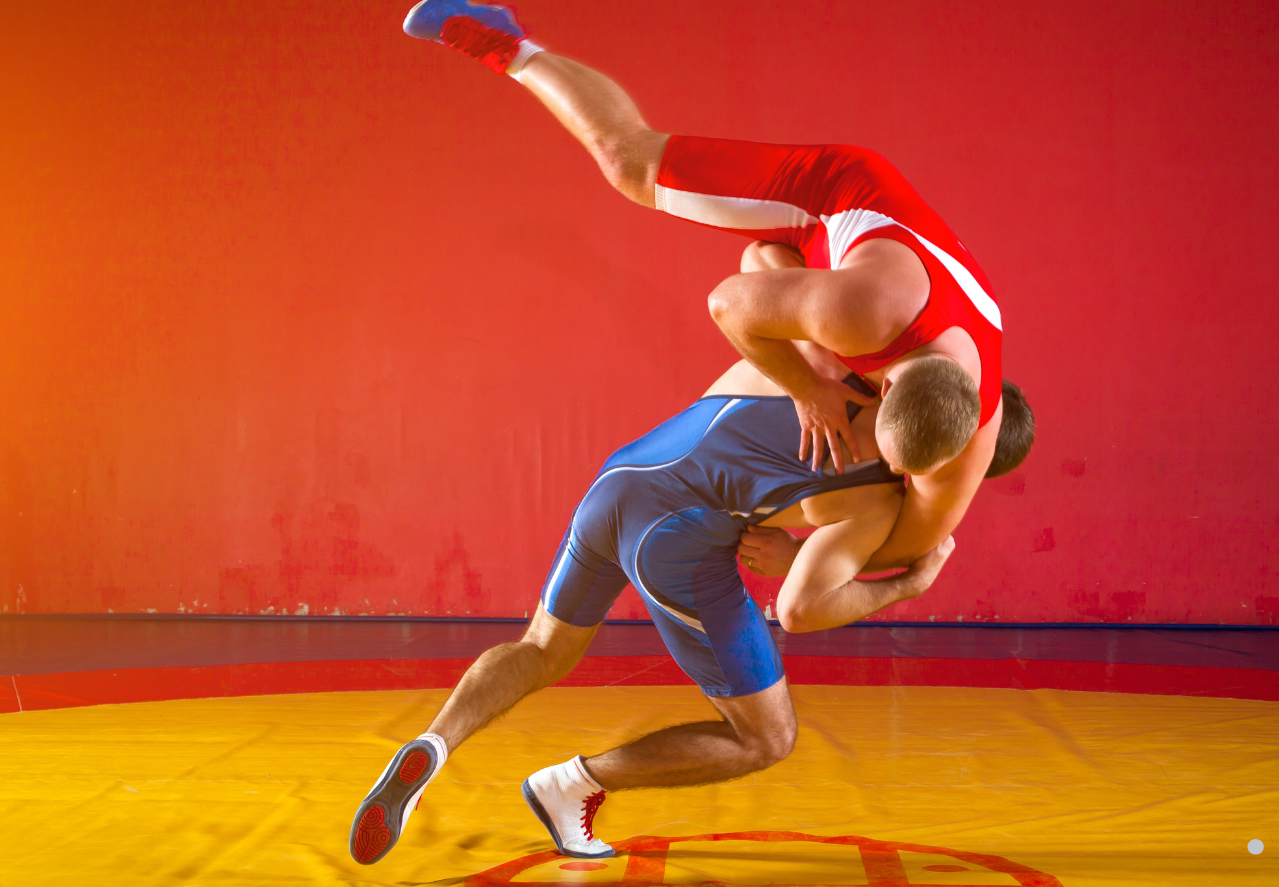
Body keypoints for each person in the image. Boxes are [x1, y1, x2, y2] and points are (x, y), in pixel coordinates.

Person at [398, 0, 1035, 587]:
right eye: (893, 461)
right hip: (838, 200)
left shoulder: (973, 442)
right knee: (629, 164)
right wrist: (807, 388)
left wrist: (792, 560)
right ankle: (505, 44)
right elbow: (726, 303)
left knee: (768, 269)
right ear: (883, 383)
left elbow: (909, 545)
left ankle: (786, 290)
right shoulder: (863, 315)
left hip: (845, 282)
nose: (892, 476)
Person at [349, 340, 1034, 865]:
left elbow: (758, 277)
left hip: (618, 482)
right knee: (767, 737)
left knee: (541, 648)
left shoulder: (826, 356)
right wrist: (907, 585)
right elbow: (800, 610)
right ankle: (573, 784)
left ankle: (435, 741)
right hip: (674, 542)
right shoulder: (877, 499)